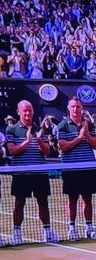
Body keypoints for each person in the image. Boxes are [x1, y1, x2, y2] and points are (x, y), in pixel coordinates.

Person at [5, 100, 57, 244]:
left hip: (39, 173)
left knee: (43, 202)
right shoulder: (12, 130)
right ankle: (16, 233)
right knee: (19, 203)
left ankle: (47, 231)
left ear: (33, 112)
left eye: (30, 110)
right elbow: (12, 150)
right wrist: (27, 142)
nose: (27, 113)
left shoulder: (40, 129)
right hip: (21, 173)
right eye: (24, 110)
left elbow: (46, 151)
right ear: (18, 112)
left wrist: (39, 140)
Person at [57, 98, 96, 240]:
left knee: (88, 199)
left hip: (88, 167)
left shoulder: (88, 124)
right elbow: (62, 146)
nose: (75, 109)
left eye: (78, 107)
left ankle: (89, 228)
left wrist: (87, 135)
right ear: (69, 108)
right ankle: (72, 228)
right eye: (73, 106)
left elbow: (95, 144)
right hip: (71, 168)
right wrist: (79, 137)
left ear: (82, 108)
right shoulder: (63, 125)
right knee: (72, 199)